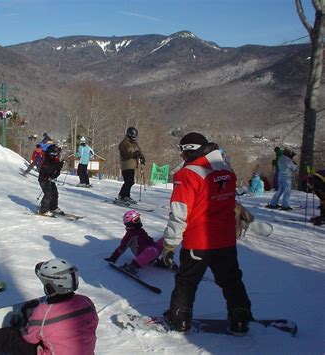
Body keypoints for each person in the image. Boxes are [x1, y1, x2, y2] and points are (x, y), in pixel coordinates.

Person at [160, 132, 252, 335]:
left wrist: (169, 244)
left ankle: (180, 318)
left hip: (198, 240)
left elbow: (179, 213)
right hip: (225, 238)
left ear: (188, 150)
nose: (181, 157)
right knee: (231, 280)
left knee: (187, 281)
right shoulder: (226, 170)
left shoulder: (186, 175)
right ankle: (240, 318)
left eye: (181, 152)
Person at [0, 258, 98, 355]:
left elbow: (28, 338)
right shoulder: (86, 302)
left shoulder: (44, 313)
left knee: (13, 338)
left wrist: (28, 324)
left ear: (49, 287)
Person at [104, 210, 172, 275]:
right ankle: (133, 266)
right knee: (152, 250)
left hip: (151, 250)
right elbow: (122, 247)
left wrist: (155, 245)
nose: (139, 221)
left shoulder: (141, 230)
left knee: (165, 240)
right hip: (142, 253)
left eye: (139, 219)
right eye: (136, 220)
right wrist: (113, 258)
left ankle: (165, 260)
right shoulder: (130, 235)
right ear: (129, 223)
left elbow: (148, 239)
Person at [116, 127, 145, 205]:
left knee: (131, 182)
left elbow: (139, 151)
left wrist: (142, 157)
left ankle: (126, 196)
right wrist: (135, 154)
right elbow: (125, 155)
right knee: (128, 181)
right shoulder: (123, 144)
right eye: (133, 137)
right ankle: (121, 195)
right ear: (129, 135)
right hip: (126, 165)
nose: (134, 139)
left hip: (132, 165)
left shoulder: (135, 143)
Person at [38, 144, 64, 216]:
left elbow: (56, 173)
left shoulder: (55, 159)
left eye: (56, 153)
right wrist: (57, 166)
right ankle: (43, 210)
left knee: (55, 194)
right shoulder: (47, 159)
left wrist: (60, 166)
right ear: (50, 153)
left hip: (50, 179)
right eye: (53, 153)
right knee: (48, 194)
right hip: (44, 179)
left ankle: (53, 207)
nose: (55, 155)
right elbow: (48, 169)